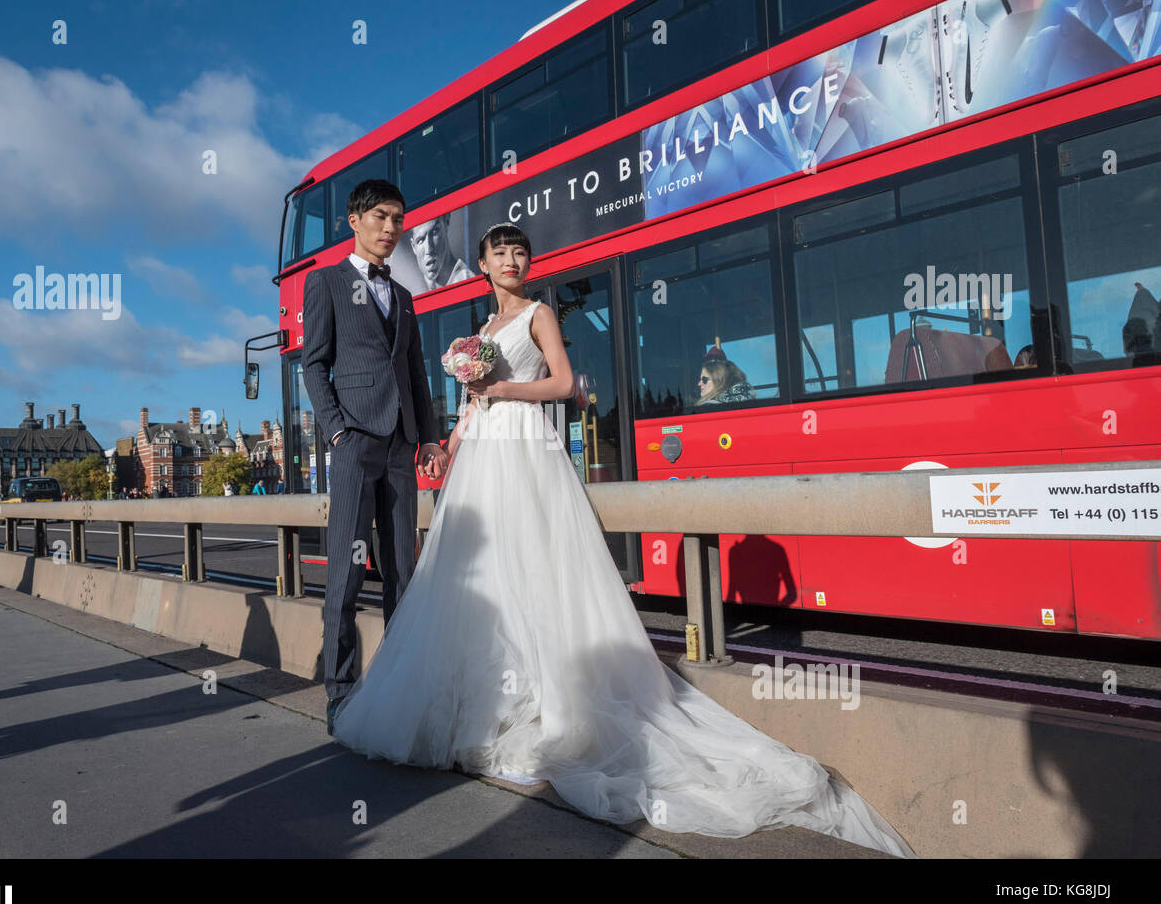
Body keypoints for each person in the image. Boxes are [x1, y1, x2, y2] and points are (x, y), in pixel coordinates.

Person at [329, 222, 914, 857]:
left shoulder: (538, 313)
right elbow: (474, 403)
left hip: (527, 448)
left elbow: (561, 383)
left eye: (520, 252)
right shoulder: (484, 328)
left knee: (536, 565)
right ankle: (490, 699)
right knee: (486, 574)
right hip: (485, 456)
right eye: (500, 254)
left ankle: (545, 700)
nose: (512, 261)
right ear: (481, 264)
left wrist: (502, 389)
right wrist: (450, 443)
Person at [302, 178, 449, 730]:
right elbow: (313, 364)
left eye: (399, 220)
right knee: (345, 572)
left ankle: (397, 687)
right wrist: (337, 432)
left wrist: (429, 437)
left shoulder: (405, 297)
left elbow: (416, 372)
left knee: (402, 575)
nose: (392, 229)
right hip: (355, 443)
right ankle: (341, 693)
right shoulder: (326, 283)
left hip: (401, 446)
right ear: (354, 220)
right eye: (382, 217)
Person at [407, 213, 471, 291]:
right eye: (420, 240)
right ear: (413, 246)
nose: (429, 249)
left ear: (446, 221)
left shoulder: (468, 283)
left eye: (435, 232)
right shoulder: (411, 291)